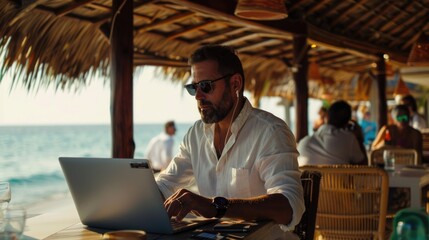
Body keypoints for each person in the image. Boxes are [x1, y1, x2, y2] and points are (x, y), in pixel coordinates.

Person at [155, 45, 305, 237]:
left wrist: (216, 206)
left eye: (206, 86)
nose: (199, 96)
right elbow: (166, 184)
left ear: (235, 84)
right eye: (194, 87)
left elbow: (290, 206)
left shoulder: (270, 132)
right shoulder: (196, 135)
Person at [297, 100, 367, 166]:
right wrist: (359, 138)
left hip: (308, 179)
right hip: (339, 179)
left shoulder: (303, 142)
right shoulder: (349, 139)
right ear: (347, 122)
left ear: (326, 117)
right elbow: (364, 167)